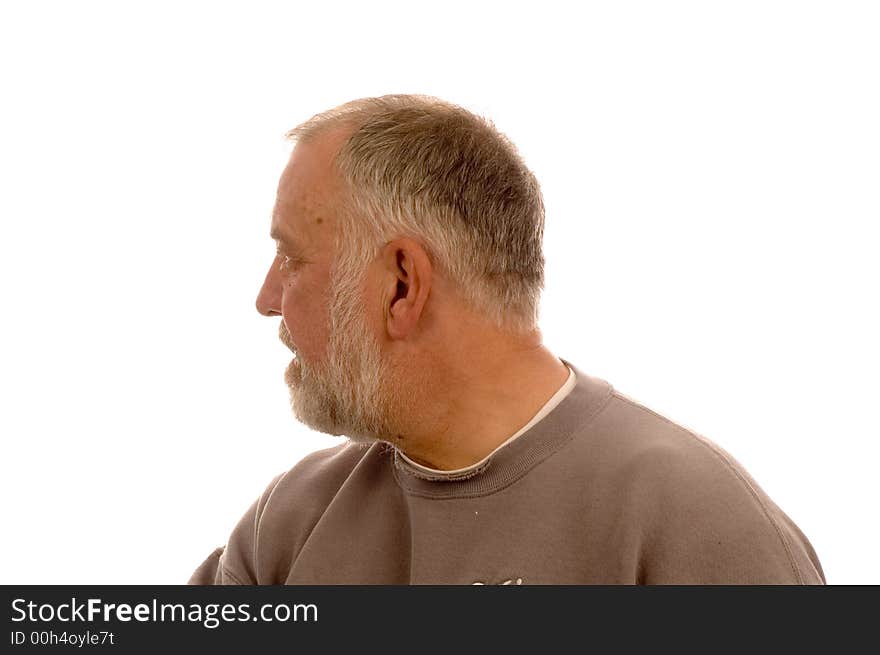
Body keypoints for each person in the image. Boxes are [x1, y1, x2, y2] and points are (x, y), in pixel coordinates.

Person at [189, 94, 825, 585]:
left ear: (402, 286)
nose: (267, 299)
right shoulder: (288, 523)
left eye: (292, 259)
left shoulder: (700, 530)